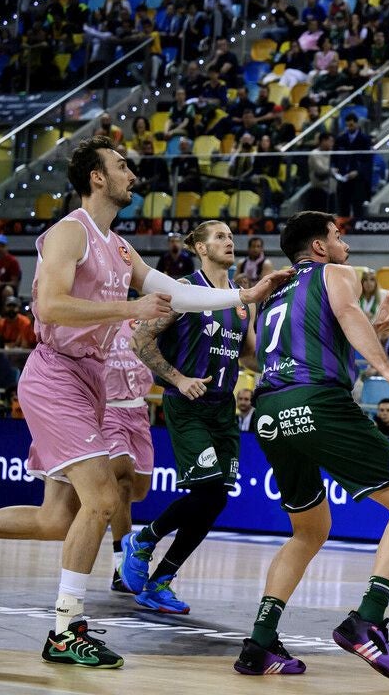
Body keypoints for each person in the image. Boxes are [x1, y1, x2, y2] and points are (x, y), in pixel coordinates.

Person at [0, 136, 288, 668]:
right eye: (121, 166)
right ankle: (66, 629)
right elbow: (51, 306)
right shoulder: (68, 233)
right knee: (103, 500)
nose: (131, 174)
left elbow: (173, 292)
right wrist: (127, 309)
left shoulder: (118, 245)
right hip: (57, 376)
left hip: (89, 382)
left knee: (58, 518)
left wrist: (243, 295)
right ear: (97, 177)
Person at [232, 211, 389, 681]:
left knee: (309, 530)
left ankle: (260, 645)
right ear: (319, 247)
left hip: (269, 411)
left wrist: (377, 327)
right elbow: (344, 316)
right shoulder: (335, 273)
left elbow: (313, 343)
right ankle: (367, 620)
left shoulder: (274, 293)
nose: (344, 243)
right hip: (316, 404)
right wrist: (387, 370)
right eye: (338, 236)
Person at [122, 221, 258, 615]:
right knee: (207, 493)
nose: (229, 242)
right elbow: (139, 339)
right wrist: (178, 378)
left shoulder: (240, 300)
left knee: (214, 500)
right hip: (187, 405)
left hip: (223, 409)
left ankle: (159, 581)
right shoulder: (182, 291)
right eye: (219, 237)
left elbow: (248, 355)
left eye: (231, 237)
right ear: (199, 247)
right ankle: (144, 539)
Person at [103, 320, 155, 594]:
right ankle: (121, 565)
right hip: (108, 409)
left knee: (138, 491)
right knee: (122, 480)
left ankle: (98, 505)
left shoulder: (141, 322)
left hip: (139, 410)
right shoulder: (96, 320)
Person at [332, 114, 373, 220]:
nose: (350, 127)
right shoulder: (340, 139)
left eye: (351, 125)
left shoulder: (364, 139)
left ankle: (358, 230)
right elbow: (334, 157)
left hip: (357, 179)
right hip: (343, 177)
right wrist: (334, 167)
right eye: (348, 125)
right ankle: (342, 231)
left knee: (357, 205)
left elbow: (368, 160)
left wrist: (358, 172)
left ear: (356, 124)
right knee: (342, 205)